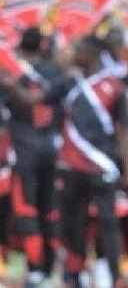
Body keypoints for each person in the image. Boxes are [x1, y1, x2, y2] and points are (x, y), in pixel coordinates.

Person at [1, 35, 128, 288]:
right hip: (71, 167)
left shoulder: (114, 86)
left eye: (76, 48)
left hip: (102, 166)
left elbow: (126, 131)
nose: (71, 52)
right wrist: (10, 85)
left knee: (107, 222)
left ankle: (112, 274)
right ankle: (75, 276)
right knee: (72, 224)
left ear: (91, 53)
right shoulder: (67, 83)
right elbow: (34, 100)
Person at [0, 27, 65, 287]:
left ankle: (37, 269)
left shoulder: (11, 74)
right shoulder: (55, 72)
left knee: (26, 211)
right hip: (52, 150)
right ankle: (50, 269)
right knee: (48, 211)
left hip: (24, 152)